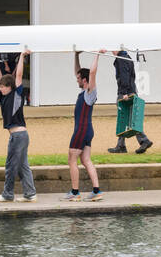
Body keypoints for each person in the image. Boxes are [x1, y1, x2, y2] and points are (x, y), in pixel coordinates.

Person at [0, 49, 36, 202]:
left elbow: (18, 76)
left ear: (10, 87)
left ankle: (7, 194)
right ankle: (30, 194)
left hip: (17, 136)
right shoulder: (4, 96)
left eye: (3, 86)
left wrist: (22, 56)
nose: (0, 88)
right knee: (23, 166)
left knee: (10, 165)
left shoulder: (17, 95)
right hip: (21, 136)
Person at [64, 50, 105, 201]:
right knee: (85, 160)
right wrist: (76, 55)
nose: (77, 80)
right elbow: (79, 72)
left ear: (85, 81)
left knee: (71, 159)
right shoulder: (84, 90)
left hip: (82, 130)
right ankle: (96, 191)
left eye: (79, 79)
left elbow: (93, 72)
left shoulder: (90, 92)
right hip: (87, 130)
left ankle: (75, 193)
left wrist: (97, 54)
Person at [108, 48, 152, 154]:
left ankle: (143, 141)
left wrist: (124, 93)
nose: (111, 51)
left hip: (125, 92)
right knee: (127, 118)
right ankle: (121, 145)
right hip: (131, 90)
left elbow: (124, 76)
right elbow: (131, 76)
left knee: (125, 118)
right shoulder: (128, 58)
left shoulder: (120, 59)